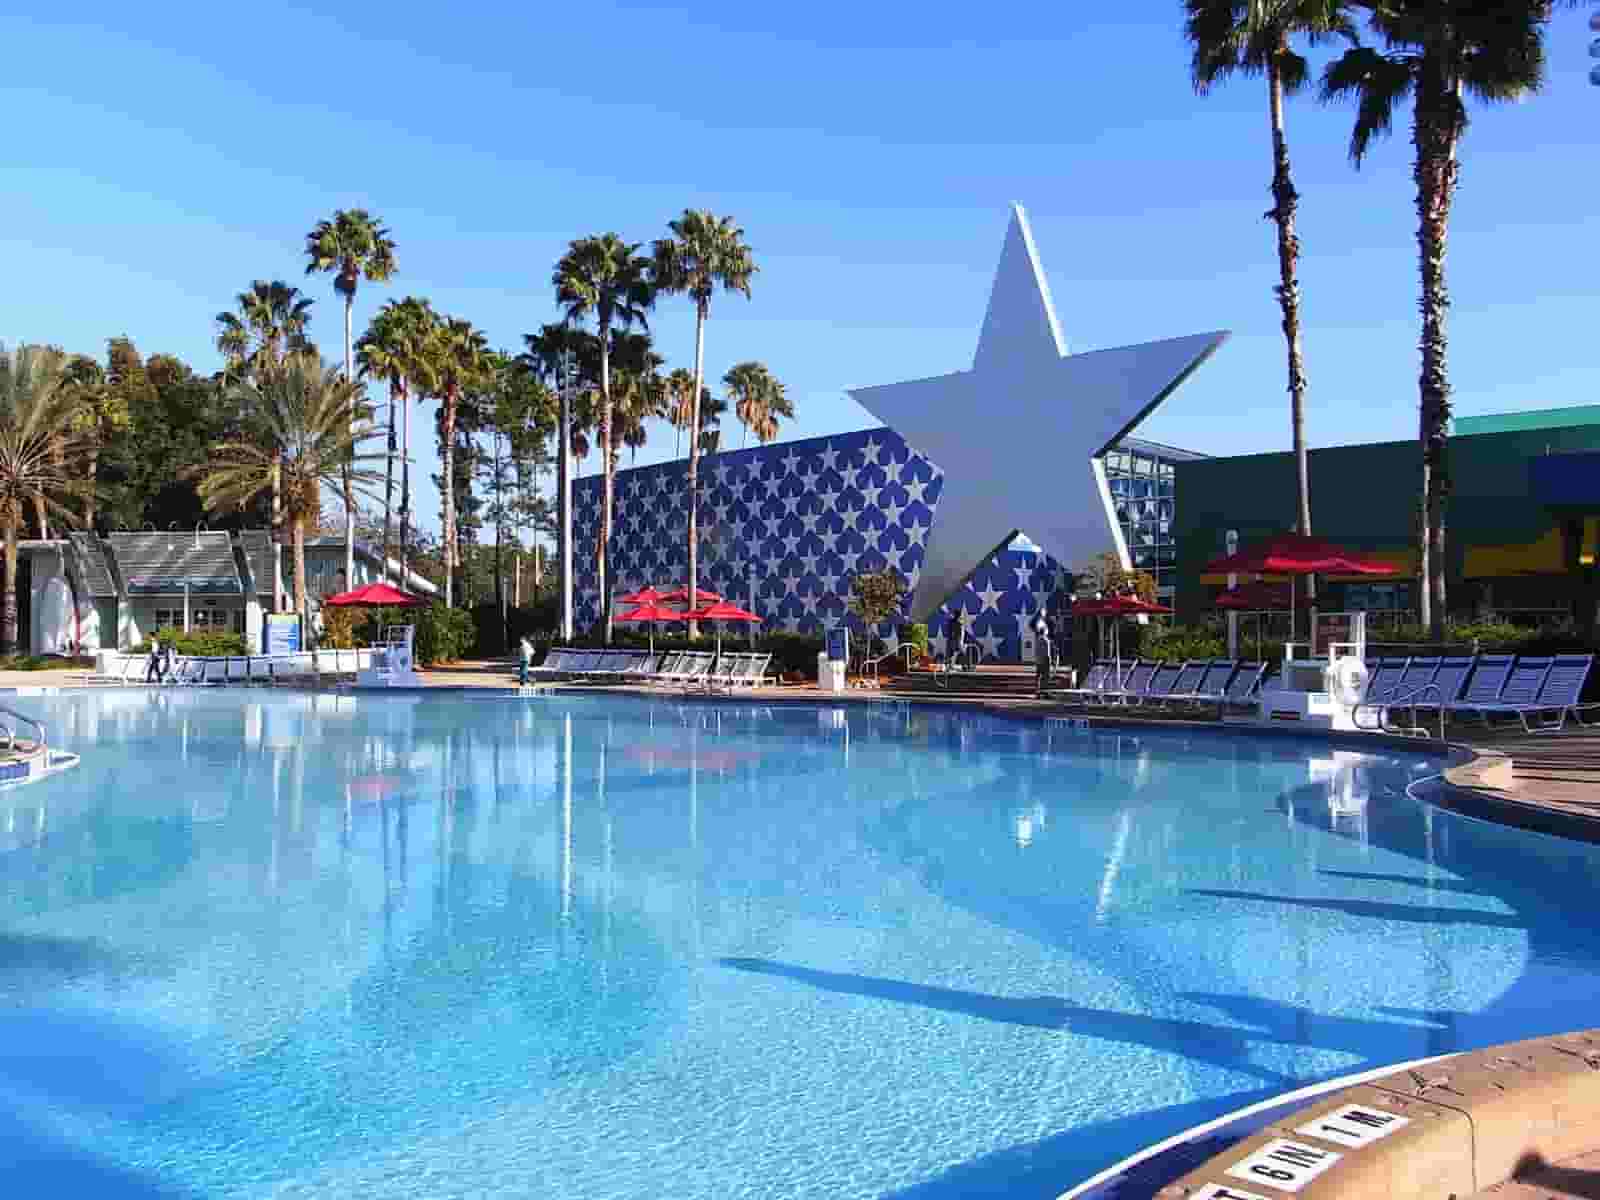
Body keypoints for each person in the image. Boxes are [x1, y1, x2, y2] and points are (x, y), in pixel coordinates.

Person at [1033, 613, 1052, 697]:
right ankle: (1045, 692)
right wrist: (1050, 661)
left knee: (1038, 678)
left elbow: (1037, 651)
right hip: (1045, 661)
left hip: (1038, 661)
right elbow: (1047, 653)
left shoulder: (1037, 640)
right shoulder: (1045, 640)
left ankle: (1038, 692)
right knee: (1045, 678)